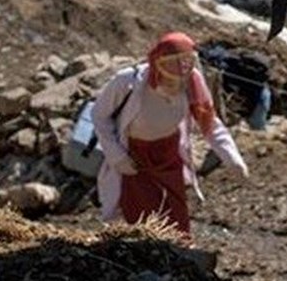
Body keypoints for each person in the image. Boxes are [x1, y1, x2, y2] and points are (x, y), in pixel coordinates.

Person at [92, 31, 249, 239]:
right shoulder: (128, 82)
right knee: (142, 216)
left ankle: (179, 256)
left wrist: (232, 158)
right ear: (157, 63)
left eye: (185, 63)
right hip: (135, 158)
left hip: (168, 156)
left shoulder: (192, 82)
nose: (177, 73)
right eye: (170, 65)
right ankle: (145, 257)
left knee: (176, 215)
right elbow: (99, 116)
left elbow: (209, 123)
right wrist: (117, 156)